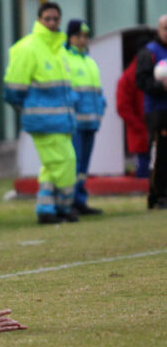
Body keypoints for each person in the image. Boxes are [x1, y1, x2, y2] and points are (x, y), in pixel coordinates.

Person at [4, 2, 78, 225]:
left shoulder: (59, 49)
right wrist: (30, 110)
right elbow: (13, 90)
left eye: (56, 18)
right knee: (66, 162)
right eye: (48, 18)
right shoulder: (28, 48)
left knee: (52, 166)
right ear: (38, 20)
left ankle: (47, 209)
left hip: (61, 120)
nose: (52, 22)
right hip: (44, 121)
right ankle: (63, 208)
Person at [64, 19, 106, 215]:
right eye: (79, 35)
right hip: (75, 123)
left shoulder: (89, 61)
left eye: (85, 36)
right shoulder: (65, 58)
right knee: (74, 163)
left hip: (91, 121)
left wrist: (101, 106)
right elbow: (66, 89)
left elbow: (96, 91)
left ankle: (79, 200)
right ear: (70, 37)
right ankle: (68, 201)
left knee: (83, 167)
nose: (83, 40)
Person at [135, 15, 167, 209]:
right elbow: (141, 81)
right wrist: (161, 86)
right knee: (160, 154)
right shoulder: (149, 53)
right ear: (159, 30)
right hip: (157, 112)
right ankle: (157, 194)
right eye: (165, 28)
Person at [116, 54, 150, 178]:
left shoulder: (129, 75)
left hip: (144, 128)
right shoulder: (130, 77)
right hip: (141, 129)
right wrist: (139, 126)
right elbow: (123, 107)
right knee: (143, 163)